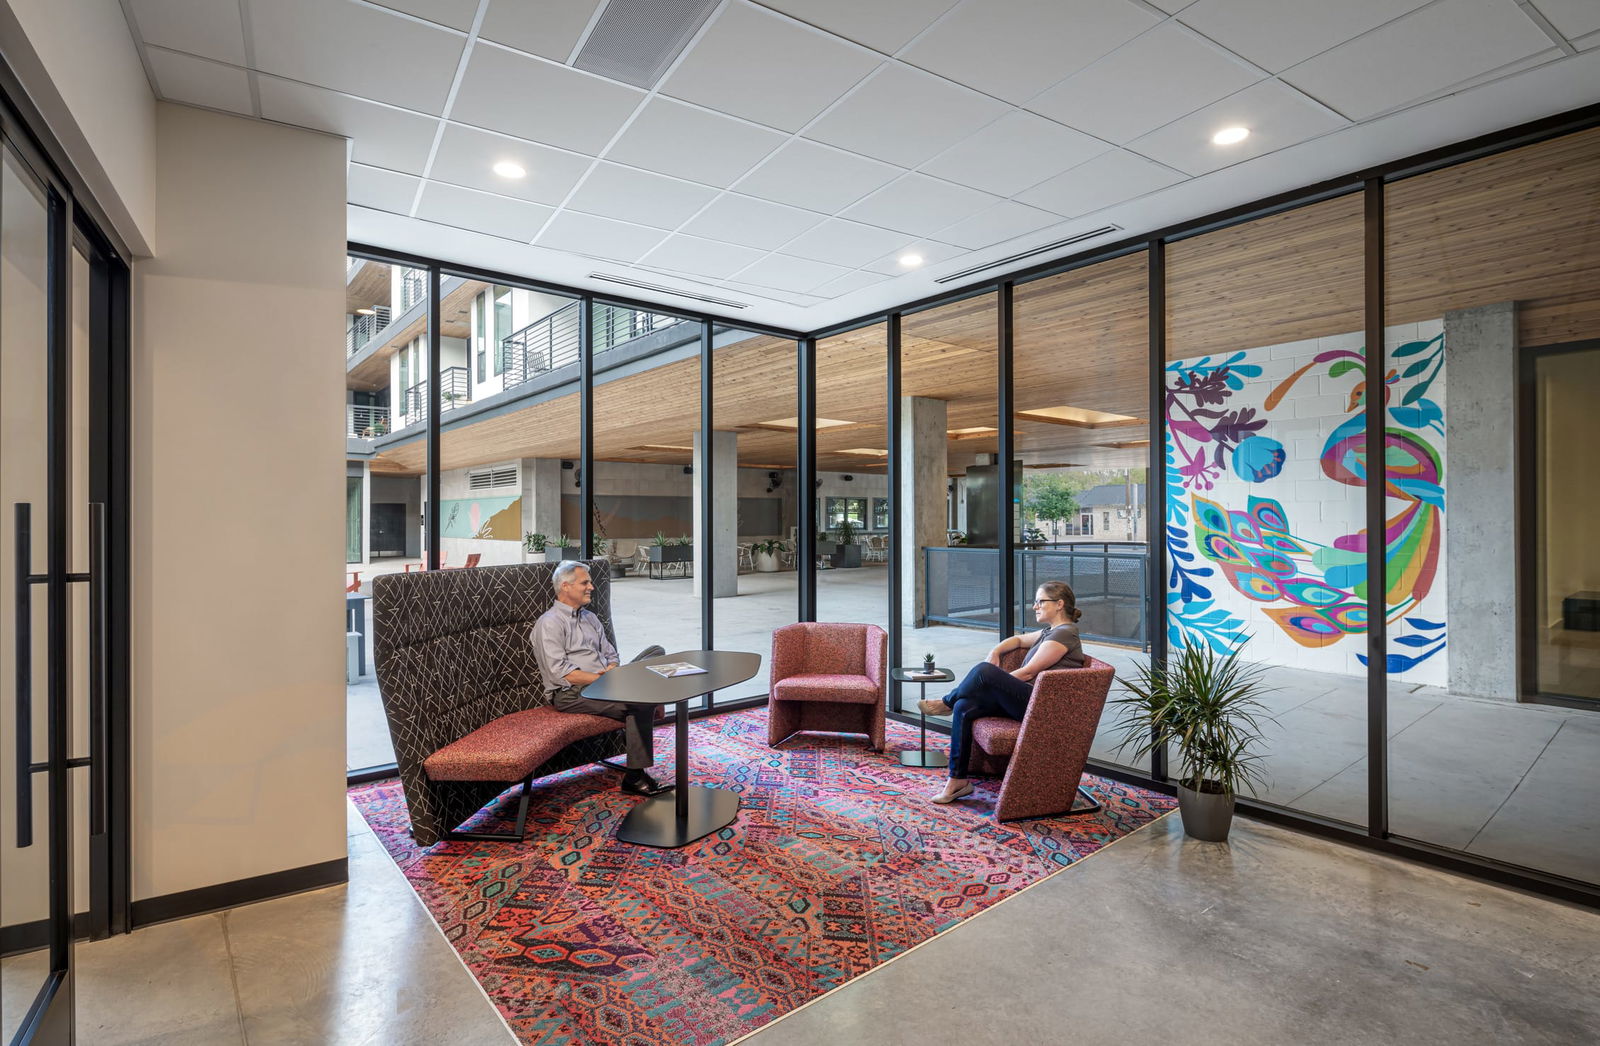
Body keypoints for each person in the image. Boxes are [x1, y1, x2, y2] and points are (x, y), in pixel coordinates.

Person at [920, 580, 1086, 804]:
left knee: (983, 672)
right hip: (1027, 700)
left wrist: (990, 678)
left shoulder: (1066, 634)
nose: (1034, 606)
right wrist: (996, 650)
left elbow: (1028, 673)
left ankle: (946, 702)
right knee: (964, 706)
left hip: (1043, 707)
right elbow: (1017, 640)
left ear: (1059, 604)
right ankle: (957, 780)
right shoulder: (1050, 631)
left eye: (1039, 601)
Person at [531, 561, 670, 797]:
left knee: (656, 651)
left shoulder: (590, 618)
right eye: (585, 582)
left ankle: (642, 690)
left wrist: (613, 671)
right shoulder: (550, 623)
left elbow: (611, 654)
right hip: (573, 693)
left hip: (608, 682)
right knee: (638, 703)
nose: (591, 587)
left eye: (590, 582)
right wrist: (602, 679)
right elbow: (561, 673)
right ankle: (635, 778)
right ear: (565, 586)